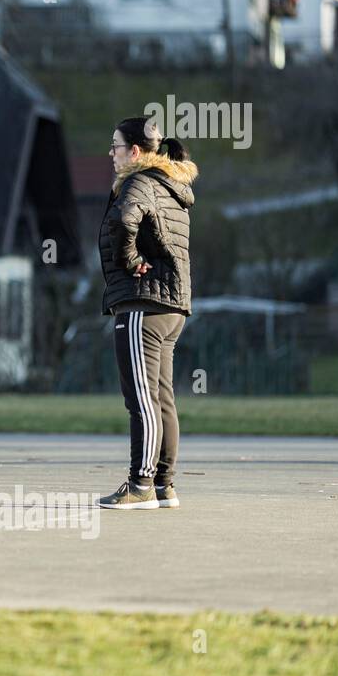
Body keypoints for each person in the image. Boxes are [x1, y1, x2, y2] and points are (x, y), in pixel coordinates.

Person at [97, 116, 198, 510]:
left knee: (141, 398)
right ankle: (163, 485)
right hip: (172, 305)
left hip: (142, 302)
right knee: (162, 398)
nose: (112, 153)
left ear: (135, 151)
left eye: (116, 145)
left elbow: (125, 220)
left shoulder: (139, 182)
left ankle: (140, 484)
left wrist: (129, 258)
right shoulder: (171, 185)